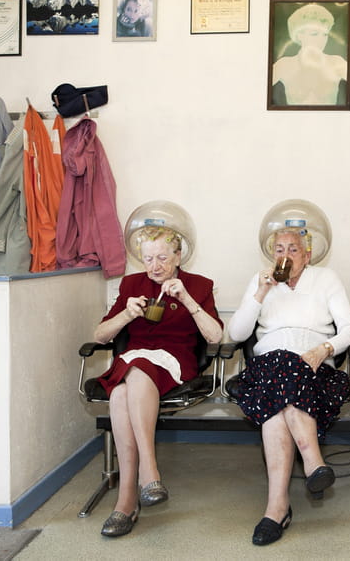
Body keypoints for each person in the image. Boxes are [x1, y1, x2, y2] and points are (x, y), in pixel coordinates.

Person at [228, 225, 350, 546]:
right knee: (281, 365)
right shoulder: (261, 282)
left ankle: (276, 508)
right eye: (279, 250)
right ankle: (313, 462)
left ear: (308, 254)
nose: (285, 256)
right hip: (268, 368)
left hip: (315, 371)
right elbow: (237, 334)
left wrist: (323, 349)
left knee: (278, 398)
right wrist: (260, 293)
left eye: (293, 249)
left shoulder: (325, 278)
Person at [93, 225, 222, 537]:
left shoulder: (198, 285)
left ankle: (136, 487)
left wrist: (188, 300)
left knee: (131, 373)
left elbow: (216, 336)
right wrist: (126, 314)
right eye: (148, 258)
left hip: (174, 360)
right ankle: (138, 488)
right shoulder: (131, 284)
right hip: (134, 362)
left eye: (163, 257)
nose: (155, 265)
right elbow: (99, 336)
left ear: (178, 256)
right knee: (121, 393)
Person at [270, 3, 348, 106]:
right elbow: (257, 88)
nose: (321, 40)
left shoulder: (337, 63)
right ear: (299, 35)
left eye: (325, 34)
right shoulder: (284, 65)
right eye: (314, 34)